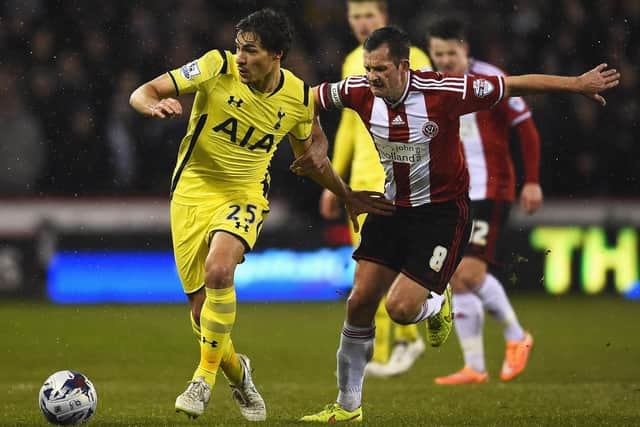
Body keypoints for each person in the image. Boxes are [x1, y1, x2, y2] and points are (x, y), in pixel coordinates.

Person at [298, 26, 619, 422]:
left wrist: (574, 84)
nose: (372, 76)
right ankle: (347, 407)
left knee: (399, 309)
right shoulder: (359, 91)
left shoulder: (444, 91)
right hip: (392, 207)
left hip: (442, 213)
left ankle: (436, 302)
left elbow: (513, 85)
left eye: (380, 68)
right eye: (368, 68)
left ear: (403, 66)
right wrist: (317, 139)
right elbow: (307, 97)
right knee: (359, 302)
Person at [129, 9, 394, 422]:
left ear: (277, 55)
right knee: (202, 315)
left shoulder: (298, 98)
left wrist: (347, 196)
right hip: (191, 194)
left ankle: (202, 379)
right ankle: (238, 373)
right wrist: (152, 104)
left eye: (250, 51)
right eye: (238, 48)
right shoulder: (215, 66)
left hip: (245, 195)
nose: (239, 57)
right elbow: (143, 91)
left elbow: (313, 159)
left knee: (220, 271)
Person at [319, 0, 433, 378]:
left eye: (368, 15)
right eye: (355, 17)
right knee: (370, 269)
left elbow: (433, 115)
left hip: (407, 174)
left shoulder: (413, 58)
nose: (362, 22)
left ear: (384, 17)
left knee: (393, 266)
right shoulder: (354, 61)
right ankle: (386, 350)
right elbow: (349, 126)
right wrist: (333, 179)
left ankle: (399, 340)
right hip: (366, 179)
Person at [426, 17, 543, 384]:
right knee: (455, 279)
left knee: (470, 272)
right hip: (454, 192)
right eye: (438, 53)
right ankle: (474, 366)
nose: (444, 60)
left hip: (490, 189)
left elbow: (526, 129)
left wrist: (533, 181)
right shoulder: (432, 83)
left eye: (451, 53)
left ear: (465, 49)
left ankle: (516, 336)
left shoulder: (491, 81)